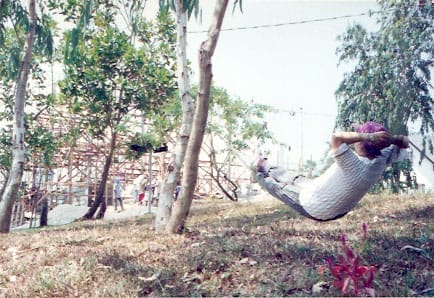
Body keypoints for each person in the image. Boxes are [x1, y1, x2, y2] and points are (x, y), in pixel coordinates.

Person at [253, 121, 410, 221]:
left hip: (315, 207)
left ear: (362, 143)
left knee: (277, 187)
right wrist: (391, 139)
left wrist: (367, 135)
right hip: (328, 200)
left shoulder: (353, 164)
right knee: (295, 178)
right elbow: (405, 141)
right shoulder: (381, 158)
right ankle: (265, 164)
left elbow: (336, 137)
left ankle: (257, 171)